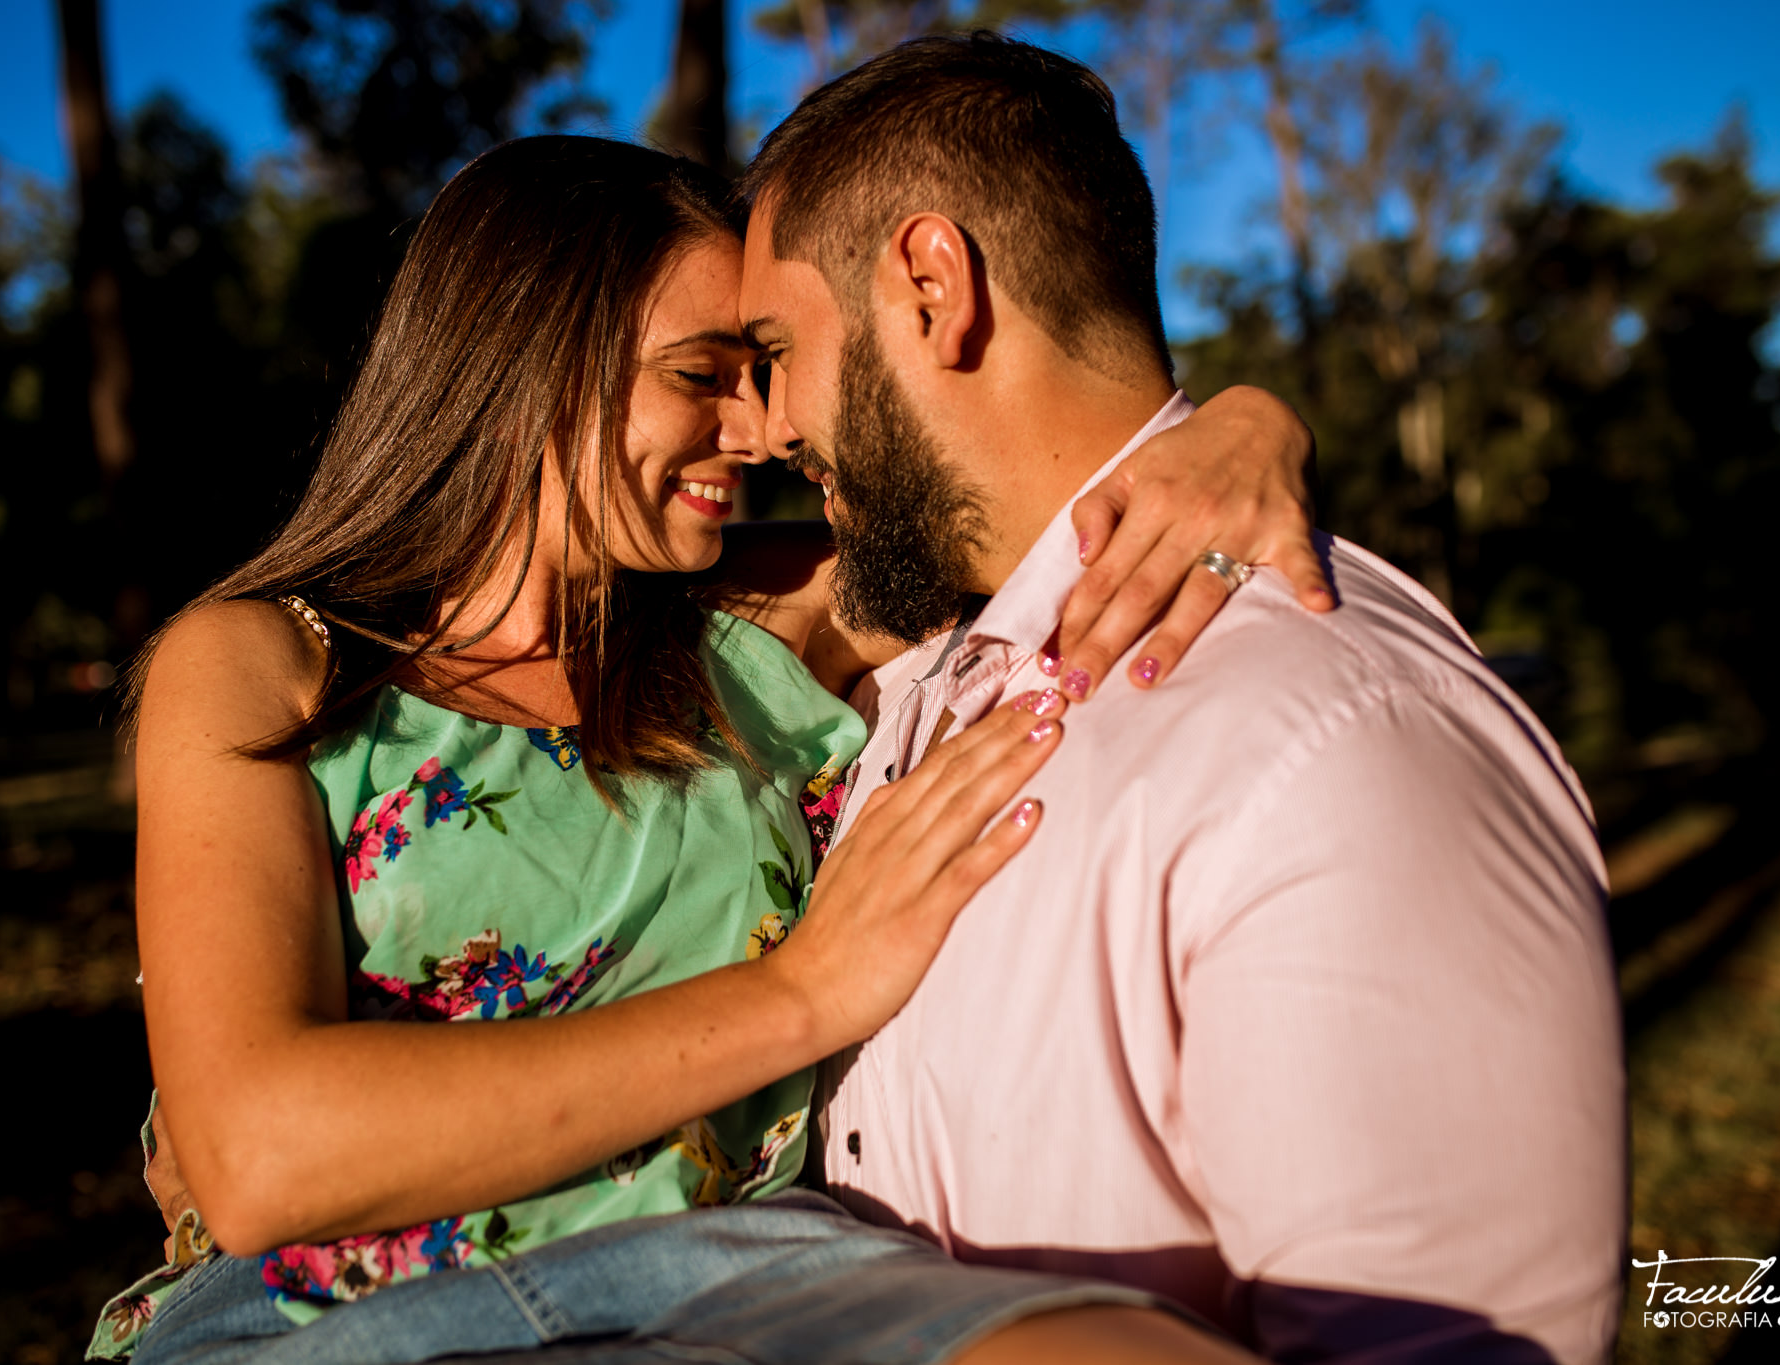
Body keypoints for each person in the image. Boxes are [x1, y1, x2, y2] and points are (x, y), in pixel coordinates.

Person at [97, 134, 1323, 1363]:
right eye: (703, 374)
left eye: (760, 369)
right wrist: (801, 995)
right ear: (531, 355)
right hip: (325, 1315)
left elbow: (1049, 497)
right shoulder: (267, 664)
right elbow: (258, 1156)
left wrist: (1246, 426)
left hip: (744, 1277)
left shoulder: (758, 633)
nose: (760, 427)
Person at [736, 32, 1627, 1365]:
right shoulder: (922, 665)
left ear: (931, 285)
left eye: (773, 351)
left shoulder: (1331, 741)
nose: (763, 424)